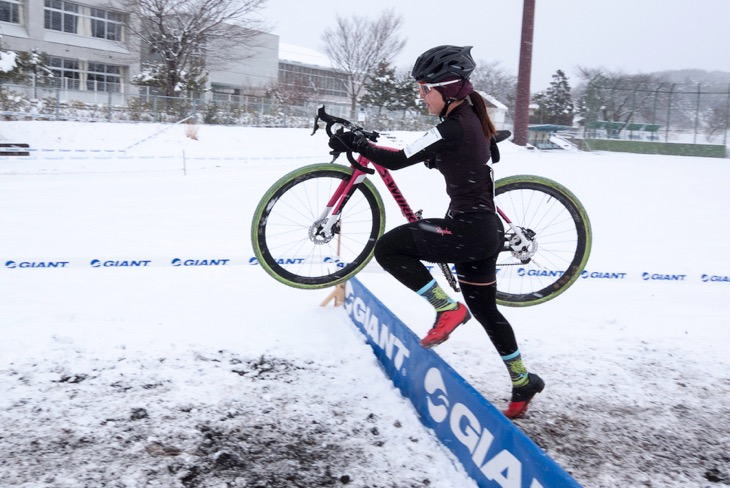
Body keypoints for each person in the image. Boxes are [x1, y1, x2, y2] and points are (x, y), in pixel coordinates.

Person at [328, 45, 544, 419]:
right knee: (487, 310)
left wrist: (355, 142)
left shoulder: (453, 125)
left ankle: (446, 308)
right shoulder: (471, 120)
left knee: (390, 248)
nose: (420, 96)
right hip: (484, 232)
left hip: (467, 232)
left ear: (444, 90)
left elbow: (397, 159)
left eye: (423, 89)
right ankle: (523, 380)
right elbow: (449, 154)